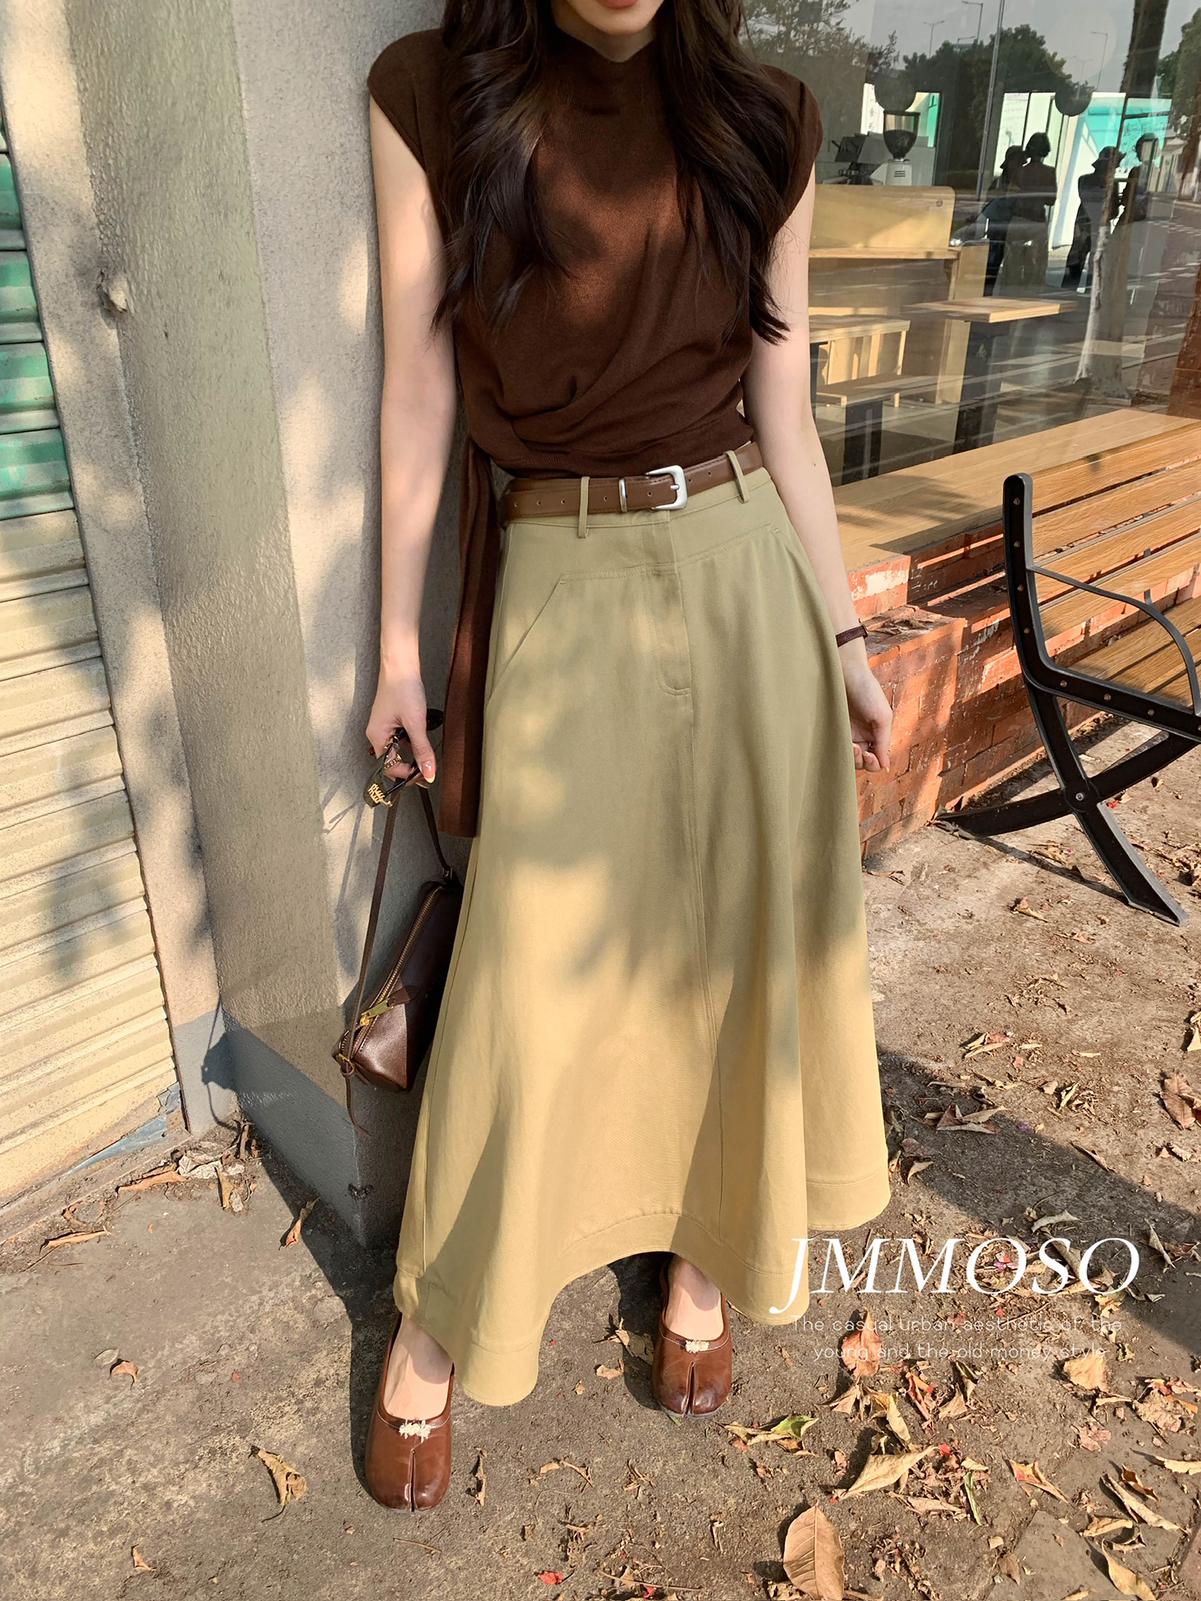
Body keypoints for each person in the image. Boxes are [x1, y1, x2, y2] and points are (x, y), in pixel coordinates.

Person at [359, 0, 894, 1511]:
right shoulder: (432, 94)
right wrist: (396, 647)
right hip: (560, 570)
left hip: (742, 571)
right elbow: (418, 386)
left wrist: (842, 638)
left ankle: (706, 1265)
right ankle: (443, 1321)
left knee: (733, 951)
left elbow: (782, 408)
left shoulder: (764, 116)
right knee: (528, 978)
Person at [998, 131, 1057, 292]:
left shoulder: (1019, 171)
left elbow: (1010, 196)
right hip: (1037, 221)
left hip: (1018, 220)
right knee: (1036, 265)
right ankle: (1030, 298)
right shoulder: (1049, 172)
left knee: (1012, 264)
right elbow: (1051, 200)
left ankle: (1009, 296)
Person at [1062, 147, 1122, 290]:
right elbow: (1113, 210)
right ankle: (1080, 290)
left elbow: (1113, 210)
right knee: (1083, 259)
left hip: (1091, 224)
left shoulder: (1095, 181)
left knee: (1088, 260)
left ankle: (1080, 290)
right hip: (1090, 225)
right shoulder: (1090, 181)